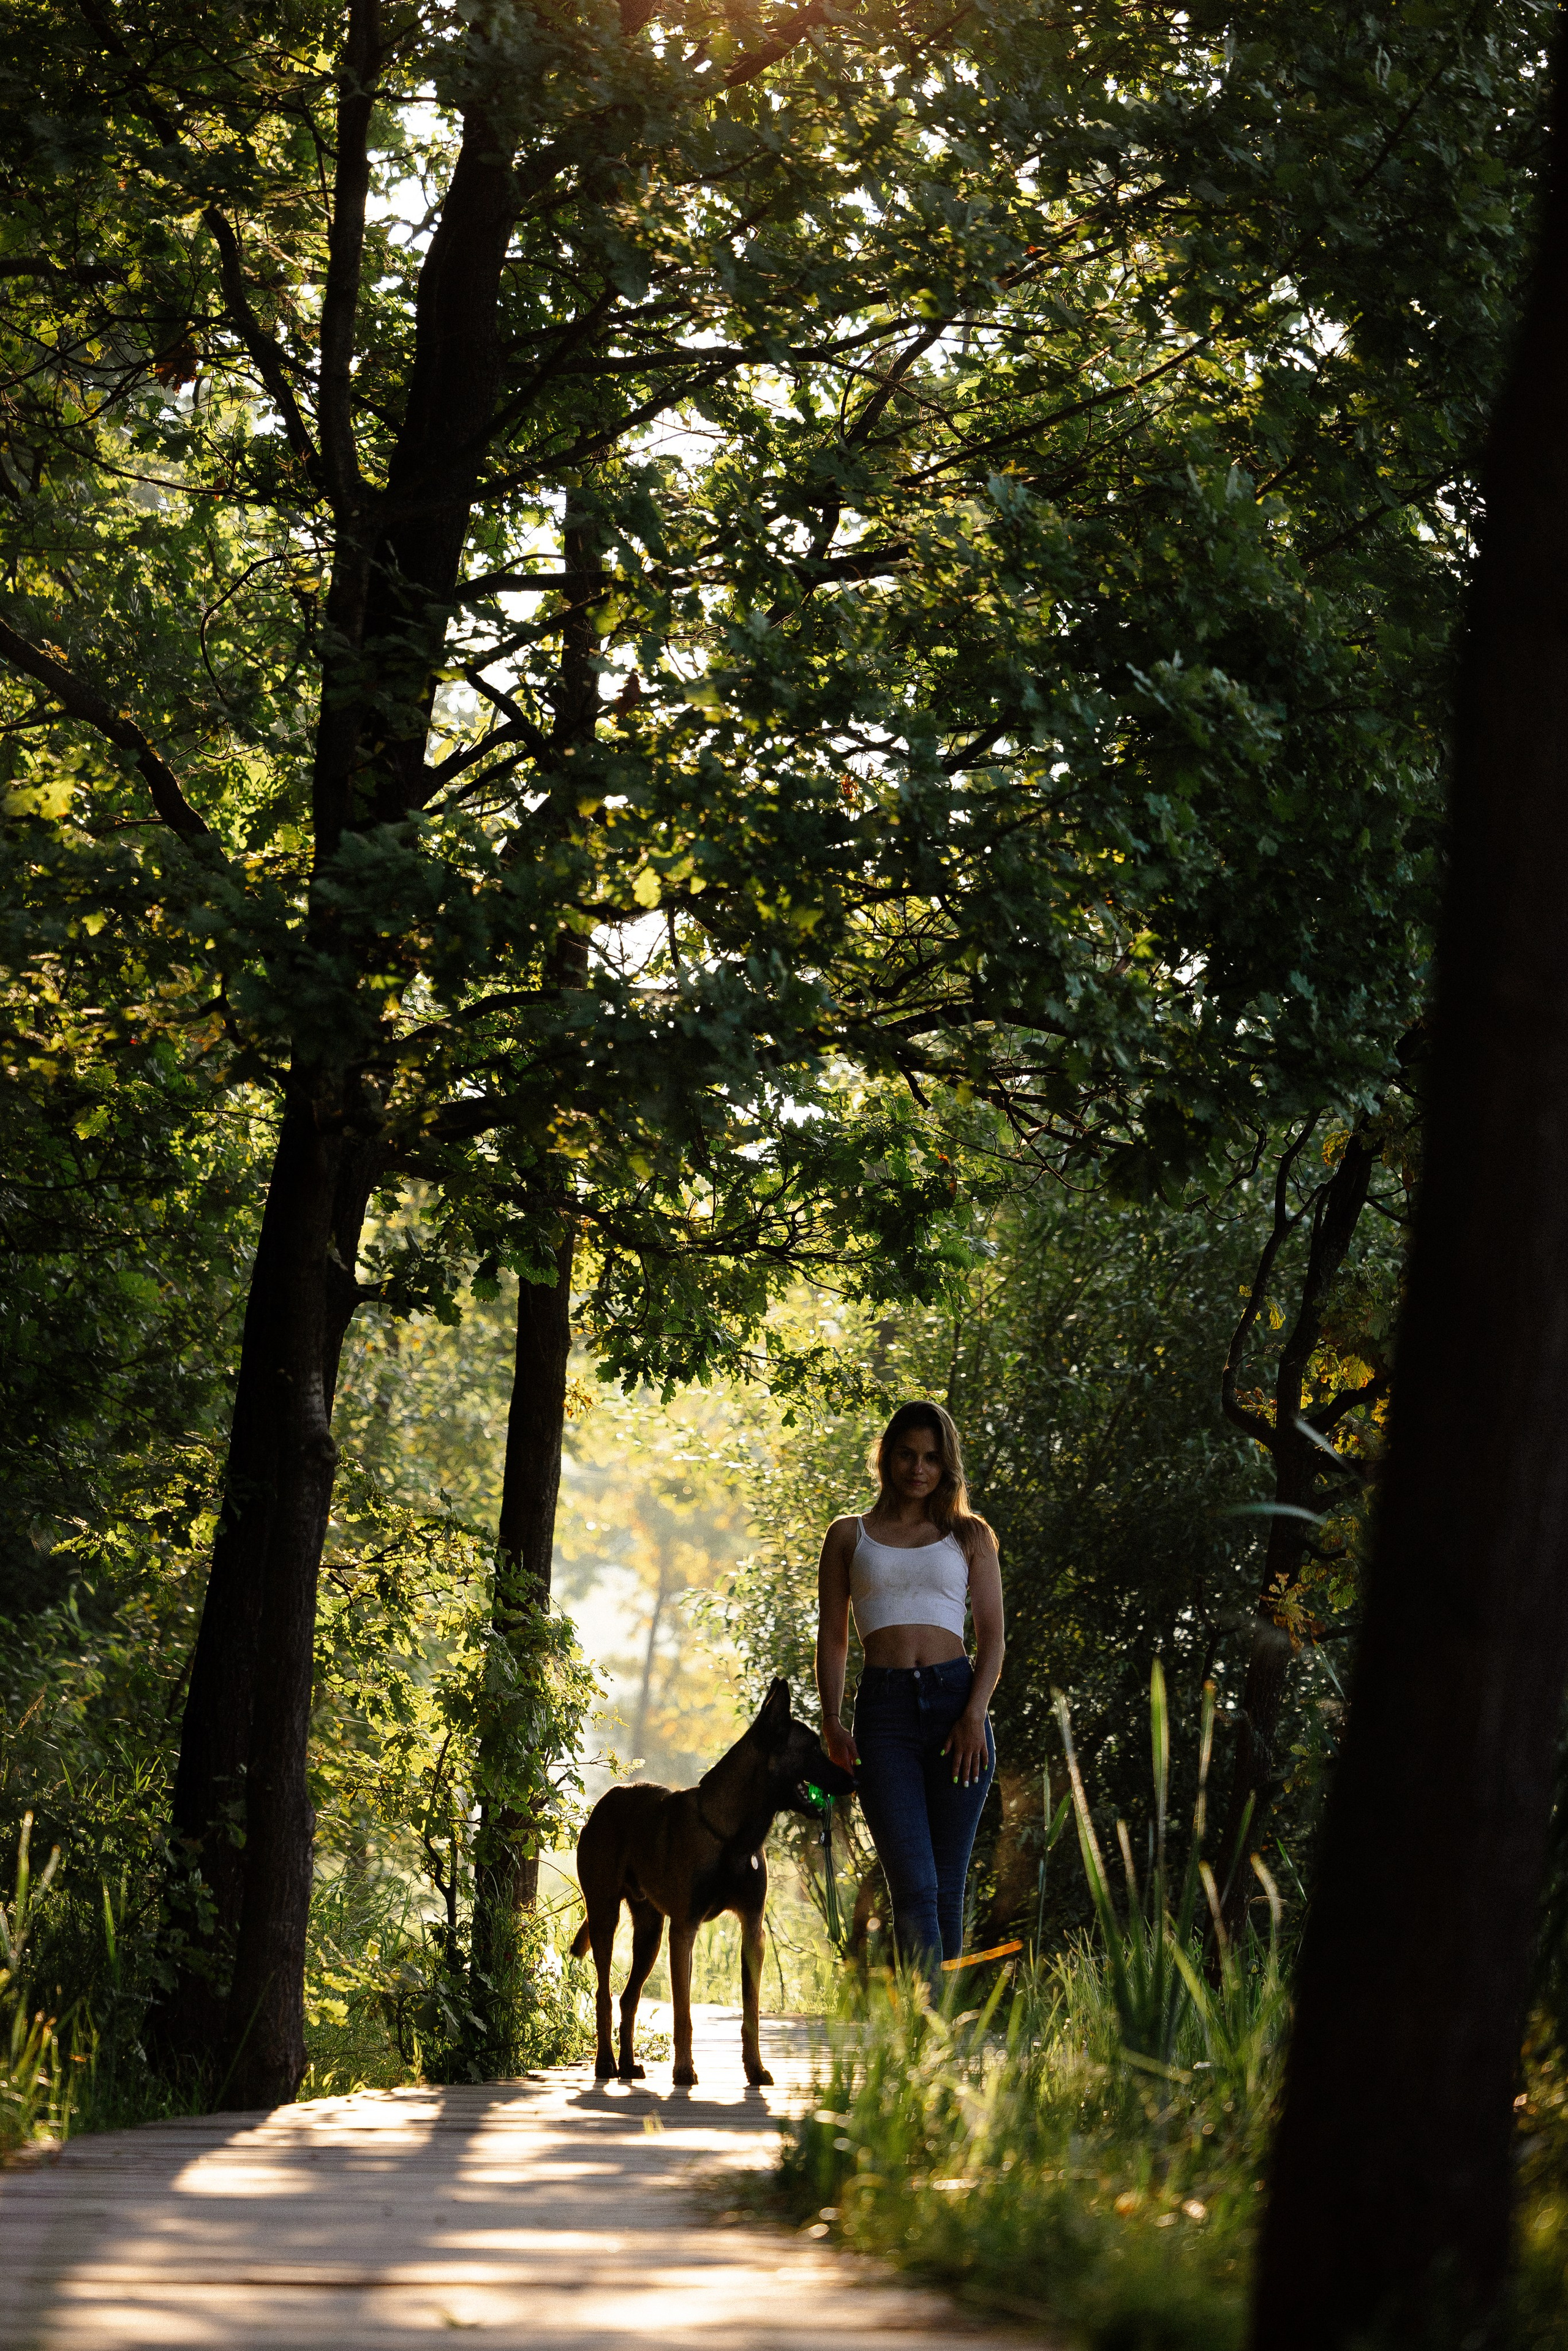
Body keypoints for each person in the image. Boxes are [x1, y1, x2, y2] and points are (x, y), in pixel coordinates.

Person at [815, 1399, 1005, 1974]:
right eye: (906, 1455)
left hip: (957, 1709)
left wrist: (973, 1716)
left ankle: (936, 2024)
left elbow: (993, 1639)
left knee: (946, 1887)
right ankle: (930, 2019)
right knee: (915, 1887)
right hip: (885, 1716)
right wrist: (832, 1721)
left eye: (931, 1458)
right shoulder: (848, 1536)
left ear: (947, 1465)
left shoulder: (969, 1535)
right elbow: (833, 1638)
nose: (918, 1469)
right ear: (885, 1457)